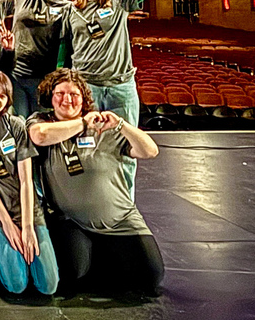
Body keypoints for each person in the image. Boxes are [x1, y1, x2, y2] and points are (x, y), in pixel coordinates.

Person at [61, 0, 203, 192]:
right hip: (86, 87)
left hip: (120, 86)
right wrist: (61, 75)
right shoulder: (72, 11)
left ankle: (124, 199)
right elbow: (64, 47)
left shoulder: (120, 3)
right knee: (86, 142)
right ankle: (91, 196)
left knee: (126, 145)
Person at [27, 69, 163, 297]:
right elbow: (39, 136)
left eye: (74, 94)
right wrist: (81, 123)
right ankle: (97, 256)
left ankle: (106, 254)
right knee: (74, 276)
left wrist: (121, 125)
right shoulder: (42, 120)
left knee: (150, 278)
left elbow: (150, 151)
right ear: (50, 97)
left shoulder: (103, 128)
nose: (66, 99)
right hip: (73, 221)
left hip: (120, 220)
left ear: (84, 99)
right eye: (60, 93)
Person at [0, 70, 59, 296]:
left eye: (2, 96)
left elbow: (26, 181)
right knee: (16, 285)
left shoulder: (16, 124)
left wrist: (27, 227)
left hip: (26, 207)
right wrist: (7, 224)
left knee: (48, 285)